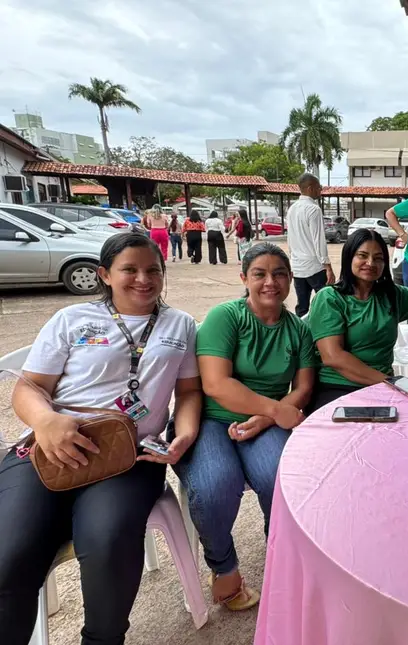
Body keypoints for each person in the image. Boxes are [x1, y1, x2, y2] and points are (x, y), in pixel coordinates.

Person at [0, 233, 201, 645]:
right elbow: (29, 387)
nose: (143, 279)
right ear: (105, 274)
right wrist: (45, 421)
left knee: (107, 545)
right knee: (10, 555)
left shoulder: (180, 325)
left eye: (153, 270)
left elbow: (189, 392)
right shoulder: (71, 319)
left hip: (129, 459)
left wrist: (184, 434)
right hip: (50, 448)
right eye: (130, 269)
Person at [173, 243, 313, 611]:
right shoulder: (226, 317)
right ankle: (223, 567)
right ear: (244, 278)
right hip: (212, 419)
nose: (271, 282)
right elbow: (215, 384)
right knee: (215, 486)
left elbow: (303, 387)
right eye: (260, 274)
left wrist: (268, 417)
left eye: (279, 274)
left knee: (283, 478)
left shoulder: (298, 329)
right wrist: (275, 409)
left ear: (291, 279)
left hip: (265, 422)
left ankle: (281, 556)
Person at [306, 229, 408, 410]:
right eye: (362, 256)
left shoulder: (391, 295)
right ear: (349, 258)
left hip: (382, 387)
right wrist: (391, 382)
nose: (370, 263)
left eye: (378, 258)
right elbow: (333, 356)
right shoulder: (330, 298)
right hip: (337, 386)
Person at [286, 173, 334, 318]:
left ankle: (301, 330)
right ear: (310, 188)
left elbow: (290, 239)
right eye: (319, 187)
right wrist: (328, 267)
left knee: (302, 306)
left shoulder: (292, 209)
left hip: (298, 267)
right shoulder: (314, 209)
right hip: (314, 267)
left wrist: (292, 260)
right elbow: (319, 240)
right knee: (326, 304)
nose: (320, 190)